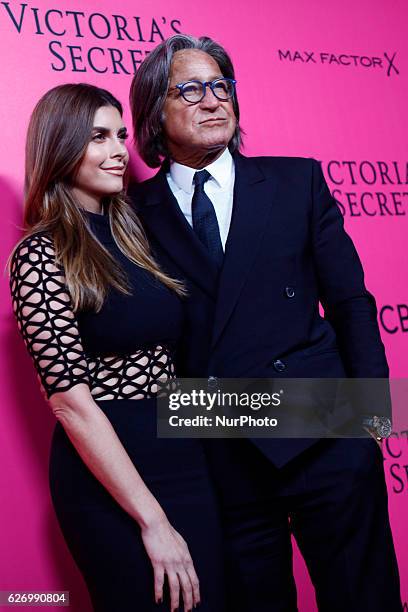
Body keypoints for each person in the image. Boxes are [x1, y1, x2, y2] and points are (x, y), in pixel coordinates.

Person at [129, 35, 402, 611]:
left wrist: (374, 417)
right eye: (192, 89)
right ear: (155, 112)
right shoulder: (133, 215)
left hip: (324, 426)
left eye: (222, 86)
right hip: (220, 449)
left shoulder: (295, 182)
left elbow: (351, 302)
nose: (214, 100)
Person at [8, 83, 226, 612]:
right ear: (60, 146)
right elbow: (70, 403)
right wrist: (151, 521)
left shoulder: (139, 236)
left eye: (121, 135)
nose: (118, 151)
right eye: (98, 137)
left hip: (183, 452)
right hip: (112, 480)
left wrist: (346, 413)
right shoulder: (39, 255)